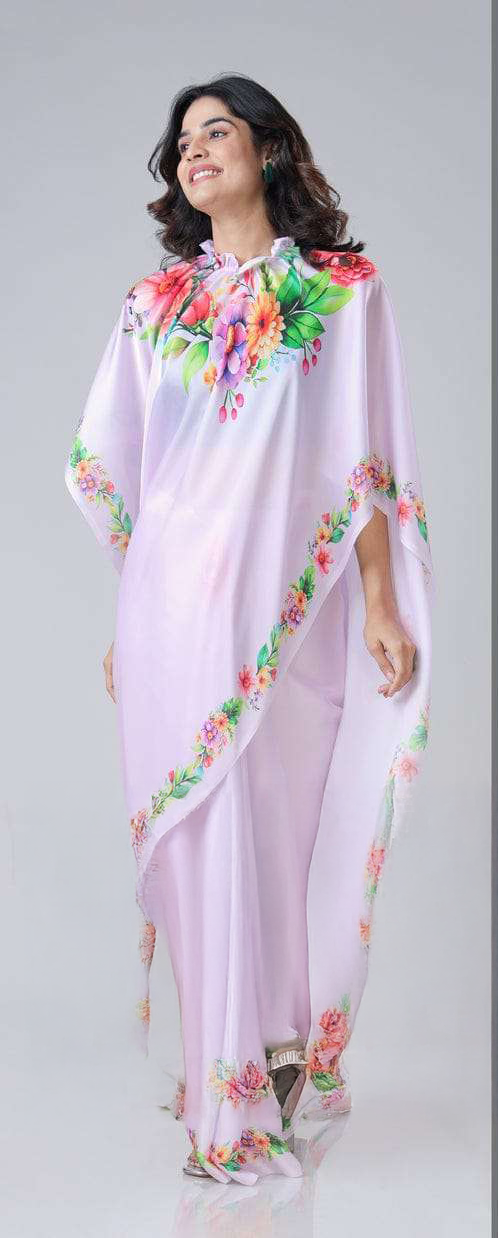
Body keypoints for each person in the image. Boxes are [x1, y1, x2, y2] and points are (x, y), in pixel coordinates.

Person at [64, 73, 434, 1185]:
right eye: (180, 141)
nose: (192, 151)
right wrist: (129, 609)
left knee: (277, 823)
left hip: (284, 611)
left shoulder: (341, 295)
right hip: (171, 608)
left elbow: (363, 462)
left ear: (269, 150)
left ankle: (279, 1047)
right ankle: (223, 1086)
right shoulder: (154, 304)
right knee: (195, 838)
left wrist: (379, 600)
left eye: (214, 131)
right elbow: (128, 465)